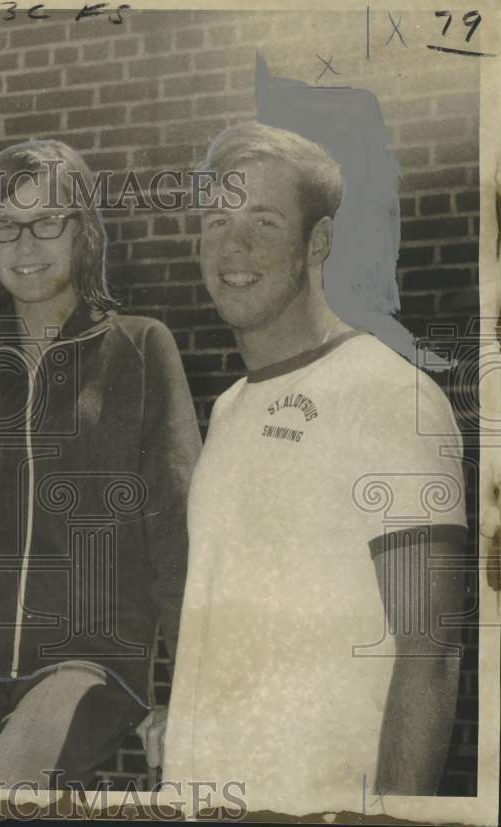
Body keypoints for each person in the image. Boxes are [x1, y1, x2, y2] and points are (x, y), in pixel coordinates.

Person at [150, 121, 467, 814]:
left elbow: (431, 646)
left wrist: (392, 814)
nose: (233, 247)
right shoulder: (230, 407)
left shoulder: (394, 395)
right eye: (217, 222)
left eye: (263, 222)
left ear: (317, 241)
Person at [0, 139, 201, 790]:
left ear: (85, 232)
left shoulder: (138, 349)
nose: (26, 244)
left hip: (89, 661)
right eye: (5, 226)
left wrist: (187, 690)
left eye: (47, 221)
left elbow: (177, 532)